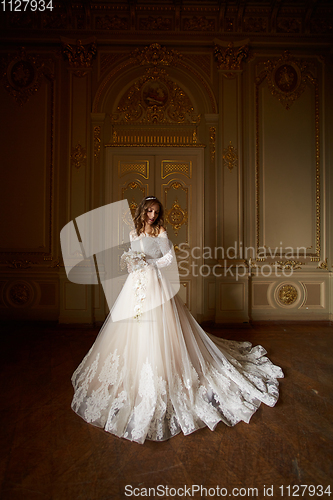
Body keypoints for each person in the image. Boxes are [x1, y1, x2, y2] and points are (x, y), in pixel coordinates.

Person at [71, 196, 284, 444]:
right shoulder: (133, 232)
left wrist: (150, 264)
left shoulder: (161, 231)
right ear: (142, 210)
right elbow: (131, 258)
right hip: (137, 287)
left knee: (164, 328)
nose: (152, 215)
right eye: (149, 210)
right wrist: (132, 263)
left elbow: (168, 259)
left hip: (157, 286)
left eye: (156, 211)